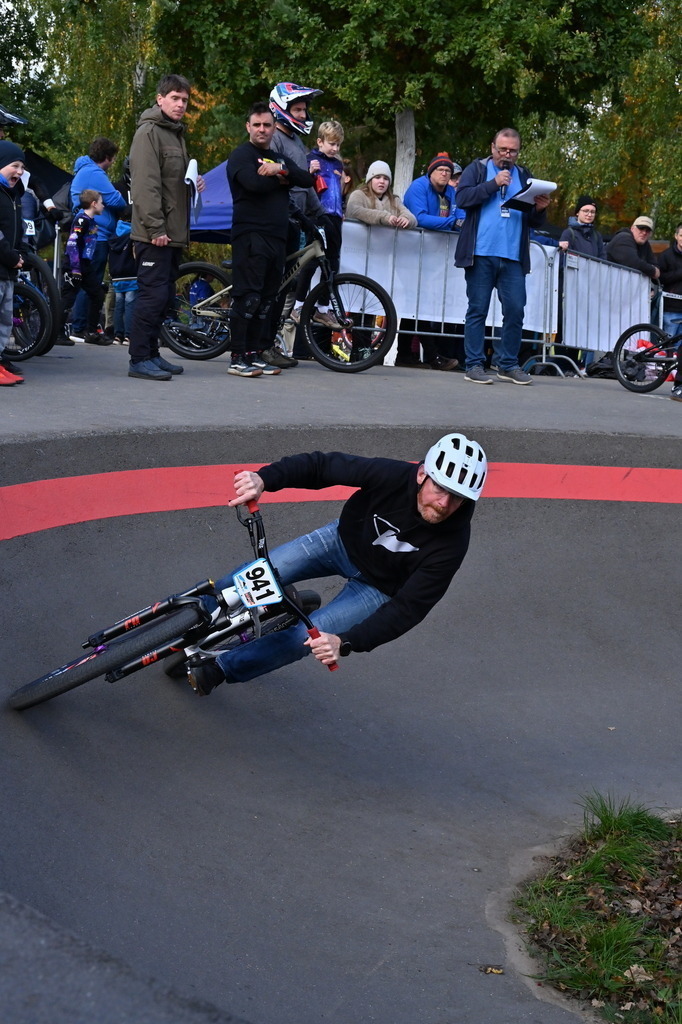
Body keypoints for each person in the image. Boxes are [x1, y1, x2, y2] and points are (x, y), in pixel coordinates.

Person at [186, 433, 488, 695]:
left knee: (303, 640)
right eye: (441, 489)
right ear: (422, 474)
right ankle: (189, 613)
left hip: (377, 588)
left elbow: (409, 609)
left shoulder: (453, 543)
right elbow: (323, 466)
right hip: (339, 542)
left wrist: (345, 641)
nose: (445, 504)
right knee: (251, 578)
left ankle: (222, 669)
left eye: (458, 498)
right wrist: (266, 478)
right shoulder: (392, 475)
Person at [226, 101, 315, 378]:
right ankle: (238, 357)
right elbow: (253, 184)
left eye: (267, 125)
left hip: (277, 237)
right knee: (248, 298)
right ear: (248, 127)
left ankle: (254, 354)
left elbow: (306, 179)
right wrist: (280, 178)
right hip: (251, 235)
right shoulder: (241, 155)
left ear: (274, 126)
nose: (262, 130)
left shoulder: (277, 157)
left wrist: (280, 171)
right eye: (257, 125)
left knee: (266, 300)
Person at [455, 127, 550, 385]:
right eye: (502, 149)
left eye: (512, 151)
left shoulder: (524, 175)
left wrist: (540, 210)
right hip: (481, 252)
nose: (507, 155)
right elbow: (462, 198)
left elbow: (531, 220)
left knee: (516, 310)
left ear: (518, 152)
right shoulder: (477, 169)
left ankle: (507, 363)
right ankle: (474, 365)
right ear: (492, 147)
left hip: (512, 256)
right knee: (478, 310)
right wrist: (492, 184)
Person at [127, 73, 205, 381]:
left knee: (163, 298)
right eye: (175, 98)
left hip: (172, 234)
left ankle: (152, 354)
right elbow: (145, 186)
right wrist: (156, 228)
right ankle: (138, 359)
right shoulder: (149, 132)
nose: (181, 104)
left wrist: (194, 184)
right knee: (152, 296)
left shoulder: (175, 133)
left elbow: (172, 182)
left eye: (185, 100)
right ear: (160, 99)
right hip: (154, 234)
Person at [68, 137, 127, 343]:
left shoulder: (84, 171)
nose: (112, 163)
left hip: (96, 234)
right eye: (112, 159)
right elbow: (115, 200)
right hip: (97, 236)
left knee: (88, 282)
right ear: (107, 157)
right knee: (90, 283)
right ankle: (82, 328)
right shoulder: (94, 173)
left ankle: (83, 327)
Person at [290, 120, 347, 328]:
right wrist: (309, 172)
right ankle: (298, 305)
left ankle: (323, 309)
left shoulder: (338, 164)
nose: (335, 149)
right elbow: (301, 185)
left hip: (335, 217)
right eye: (332, 144)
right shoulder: (310, 159)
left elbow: (338, 191)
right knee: (312, 261)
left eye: (338, 145)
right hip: (317, 216)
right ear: (320, 141)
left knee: (332, 264)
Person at [61, 189, 110, 345]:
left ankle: (91, 332)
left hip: (85, 264)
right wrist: (75, 269)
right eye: (101, 202)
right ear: (94, 204)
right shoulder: (81, 220)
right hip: (74, 265)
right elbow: (72, 243)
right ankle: (56, 333)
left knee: (97, 295)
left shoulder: (91, 221)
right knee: (68, 298)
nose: (104, 205)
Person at [0, 139, 27, 386]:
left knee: (5, 319)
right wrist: (10, 255)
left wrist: (23, 252)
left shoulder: (13, 194)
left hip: (7, 270)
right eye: (14, 165)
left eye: (22, 167)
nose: (19, 172)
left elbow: (16, 230)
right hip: (2, 263)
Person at [345, 160, 417, 229]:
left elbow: (413, 218)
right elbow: (354, 211)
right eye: (377, 177)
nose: (382, 181)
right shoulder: (358, 194)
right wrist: (384, 217)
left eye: (386, 178)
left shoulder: (394, 200)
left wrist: (406, 218)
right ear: (370, 180)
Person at [654, 223, 682, 338]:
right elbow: (660, 279)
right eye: (681, 235)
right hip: (671, 309)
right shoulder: (666, 255)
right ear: (676, 236)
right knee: (669, 346)